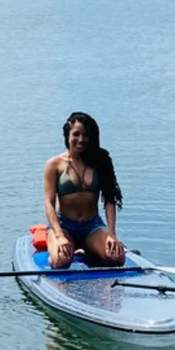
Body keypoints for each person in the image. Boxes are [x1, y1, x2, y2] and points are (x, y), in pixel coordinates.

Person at [43, 112, 125, 268]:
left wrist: (112, 234)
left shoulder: (100, 161)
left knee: (117, 258)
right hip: (64, 227)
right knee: (61, 260)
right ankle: (53, 252)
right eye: (76, 134)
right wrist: (59, 235)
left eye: (85, 135)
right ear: (67, 135)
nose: (81, 139)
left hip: (92, 227)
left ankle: (91, 250)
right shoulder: (54, 165)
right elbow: (49, 202)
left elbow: (109, 199)